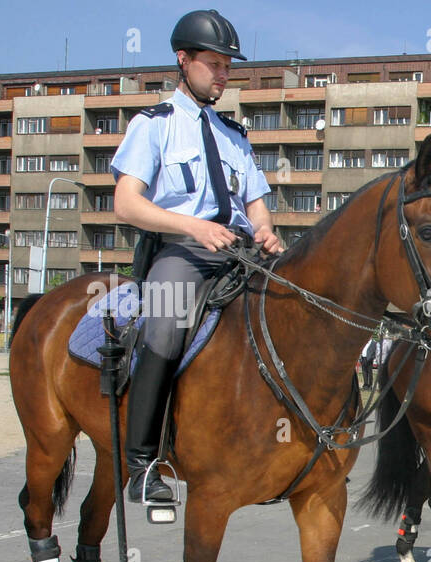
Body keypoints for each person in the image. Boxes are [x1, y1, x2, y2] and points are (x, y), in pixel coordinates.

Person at [111, 9, 283, 503]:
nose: (224, 75)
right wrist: (193, 226)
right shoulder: (154, 125)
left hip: (240, 252)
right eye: (214, 64)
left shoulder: (236, 135)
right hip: (181, 252)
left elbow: (257, 209)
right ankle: (142, 464)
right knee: (164, 324)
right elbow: (127, 204)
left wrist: (268, 233)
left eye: (228, 66)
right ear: (182, 61)